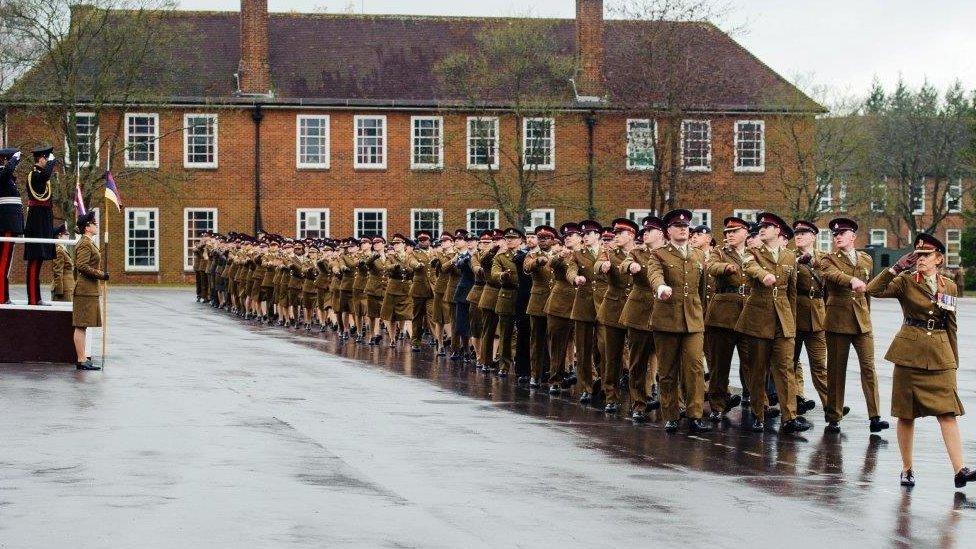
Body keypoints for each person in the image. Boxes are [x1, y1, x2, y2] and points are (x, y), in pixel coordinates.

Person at [866, 233, 976, 488]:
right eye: (917, 254)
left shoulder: (948, 286)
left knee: (948, 413)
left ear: (939, 258)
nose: (920, 259)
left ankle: (960, 470)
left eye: (926, 255)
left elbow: (951, 325)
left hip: (940, 354)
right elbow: (873, 290)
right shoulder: (905, 281)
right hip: (909, 354)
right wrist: (894, 268)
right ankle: (907, 468)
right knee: (906, 415)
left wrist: (953, 361)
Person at [735, 212, 810, 433]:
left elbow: (793, 293)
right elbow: (749, 267)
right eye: (761, 226)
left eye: (767, 226)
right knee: (759, 370)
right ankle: (759, 414)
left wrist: (792, 323)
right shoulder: (752, 252)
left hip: (783, 320)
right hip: (759, 320)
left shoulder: (789, 257)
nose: (762, 229)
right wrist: (763, 275)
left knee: (786, 369)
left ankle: (790, 417)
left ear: (778, 231)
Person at [819, 217, 887, 434]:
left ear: (853, 237)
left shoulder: (866, 259)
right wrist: (851, 281)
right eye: (835, 234)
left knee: (869, 368)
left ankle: (875, 416)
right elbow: (831, 275)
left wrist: (867, 313)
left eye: (842, 233)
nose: (837, 237)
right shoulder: (828, 259)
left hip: (862, 322)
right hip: (838, 321)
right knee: (836, 371)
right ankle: (834, 417)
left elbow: (867, 292)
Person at [646, 209, 710, 433]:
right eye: (678, 226)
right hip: (666, 319)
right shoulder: (659, 254)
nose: (683, 229)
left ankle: (695, 415)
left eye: (686, 226)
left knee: (694, 368)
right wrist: (660, 287)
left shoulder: (698, 255)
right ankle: (671, 414)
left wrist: (700, 314)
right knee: (667, 371)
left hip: (693, 319)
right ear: (668, 231)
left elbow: (701, 290)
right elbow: (654, 274)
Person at [703, 216, 751, 420]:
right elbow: (711, 266)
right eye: (727, 233)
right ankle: (717, 405)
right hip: (722, 314)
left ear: (745, 233)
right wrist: (725, 267)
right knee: (719, 365)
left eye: (734, 232)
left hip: (748, 313)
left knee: (752, 363)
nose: (729, 235)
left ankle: (759, 405)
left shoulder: (754, 253)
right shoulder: (719, 252)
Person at [792, 220, 829, 414]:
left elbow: (830, 282)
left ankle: (831, 407)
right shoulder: (789, 257)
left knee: (820, 366)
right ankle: (795, 401)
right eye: (796, 233)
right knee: (790, 364)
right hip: (794, 316)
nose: (798, 236)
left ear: (813, 236)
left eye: (803, 233)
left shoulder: (824, 258)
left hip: (818, 317)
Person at [24, 145, 58, 305]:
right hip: (35, 220)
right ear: (41, 159)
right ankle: (32, 298)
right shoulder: (34, 175)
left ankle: (37, 298)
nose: (49, 161)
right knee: (34, 260)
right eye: (47, 158)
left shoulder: (43, 177)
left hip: (43, 220)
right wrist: (53, 162)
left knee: (39, 261)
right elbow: (44, 176)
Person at [72, 211, 106, 371]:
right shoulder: (85, 243)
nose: (96, 225)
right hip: (85, 290)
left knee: (83, 325)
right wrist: (102, 275)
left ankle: (83, 357)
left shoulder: (88, 242)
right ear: (87, 227)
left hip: (89, 289)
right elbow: (82, 266)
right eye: (94, 223)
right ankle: (81, 359)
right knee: (81, 325)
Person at [0, 147, 24, 304]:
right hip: (6, 225)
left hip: (11, 225)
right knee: (3, 263)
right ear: (6, 160)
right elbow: (7, 172)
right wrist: (14, 159)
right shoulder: (2, 175)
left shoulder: (8, 178)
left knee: (5, 263)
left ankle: (4, 296)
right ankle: (2, 297)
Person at [51, 224, 75, 302]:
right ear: (59, 236)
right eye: (66, 234)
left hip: (68, 287)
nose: (68, 236)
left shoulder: (63, 249)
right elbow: (57, 271)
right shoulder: (59, 251)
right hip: (64, 289)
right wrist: (59, 291)